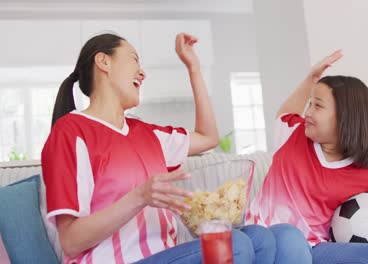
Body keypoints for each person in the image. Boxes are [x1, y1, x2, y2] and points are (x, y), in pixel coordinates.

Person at [41, 32, 277, 264]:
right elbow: (71, 241)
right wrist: (140, 196)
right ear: (104, 62)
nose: (142, 73)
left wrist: (193, 67)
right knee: (236, 244)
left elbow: (208, 137)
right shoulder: (71, 132)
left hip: (167, 255)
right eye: (134, 59)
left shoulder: (147, 134)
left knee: (261, 238)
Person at [246, 51, 368, 263]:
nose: (307, 112)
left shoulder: (366, 179)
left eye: (317, 105)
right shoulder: (294, 134)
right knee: (291, 237)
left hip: (316, 249)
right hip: (268, 240)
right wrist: (311, 79)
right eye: (310, 103)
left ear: (345, 118)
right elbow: (286, 112)